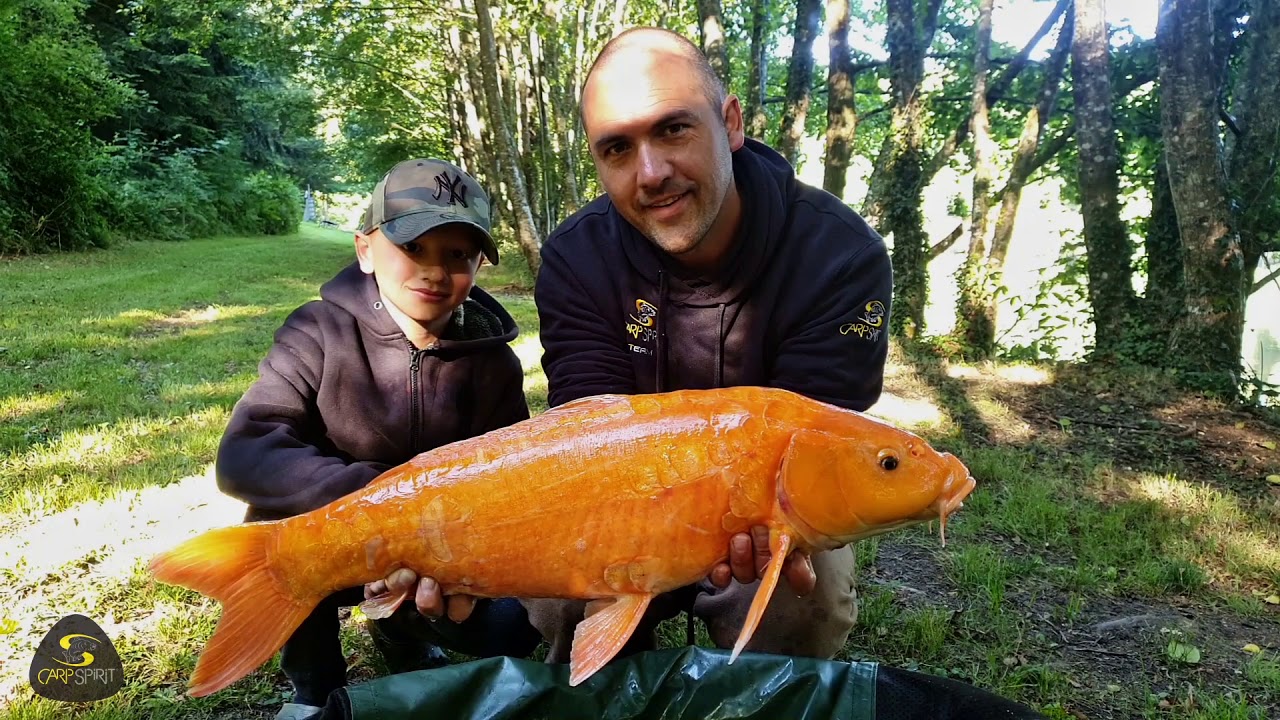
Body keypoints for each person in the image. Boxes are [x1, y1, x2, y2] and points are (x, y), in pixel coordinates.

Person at [523, 27, 894, 663]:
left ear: (730, 123)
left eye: (673, 129)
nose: (651, 173)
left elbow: (806, 451)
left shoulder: (839, 256)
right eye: (617, 148)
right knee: (556, 587)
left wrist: (756, 528)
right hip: (624, 490)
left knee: (802, 596)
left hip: (761, 501)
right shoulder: (575, 259)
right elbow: (586, 434)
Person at [214, 158, 542, 720]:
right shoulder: (316, 331)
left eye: (458, 254)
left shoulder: (495, 366)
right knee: (278, 531)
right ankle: (312, 691)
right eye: (414, 248)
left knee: (516, 624)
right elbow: (244, 453)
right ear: (365, 249)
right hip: (336, 534)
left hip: (433, 554)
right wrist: (386, 499)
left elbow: (508, 486)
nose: (435, 272)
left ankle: (401, 633)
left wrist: (446, 547)